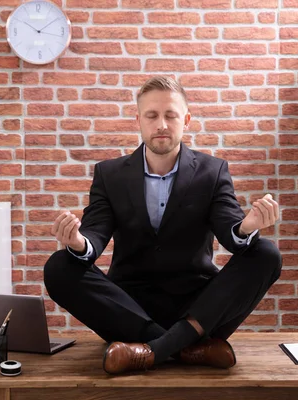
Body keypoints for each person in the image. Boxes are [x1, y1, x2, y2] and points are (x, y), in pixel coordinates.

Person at [44, 76, 282, 374]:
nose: (161, 124)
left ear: (186, 120)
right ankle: (186, 348)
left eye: (170, 115)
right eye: (152, 115)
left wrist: (247, 226)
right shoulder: (110, 174)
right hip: (129, 309)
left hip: (197, 306)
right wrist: (78, 242)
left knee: (266, 254)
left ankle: (152, 350)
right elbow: (95, 234)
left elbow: (231, 231)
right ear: (138, 120)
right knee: (59, 266)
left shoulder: (212, 170)